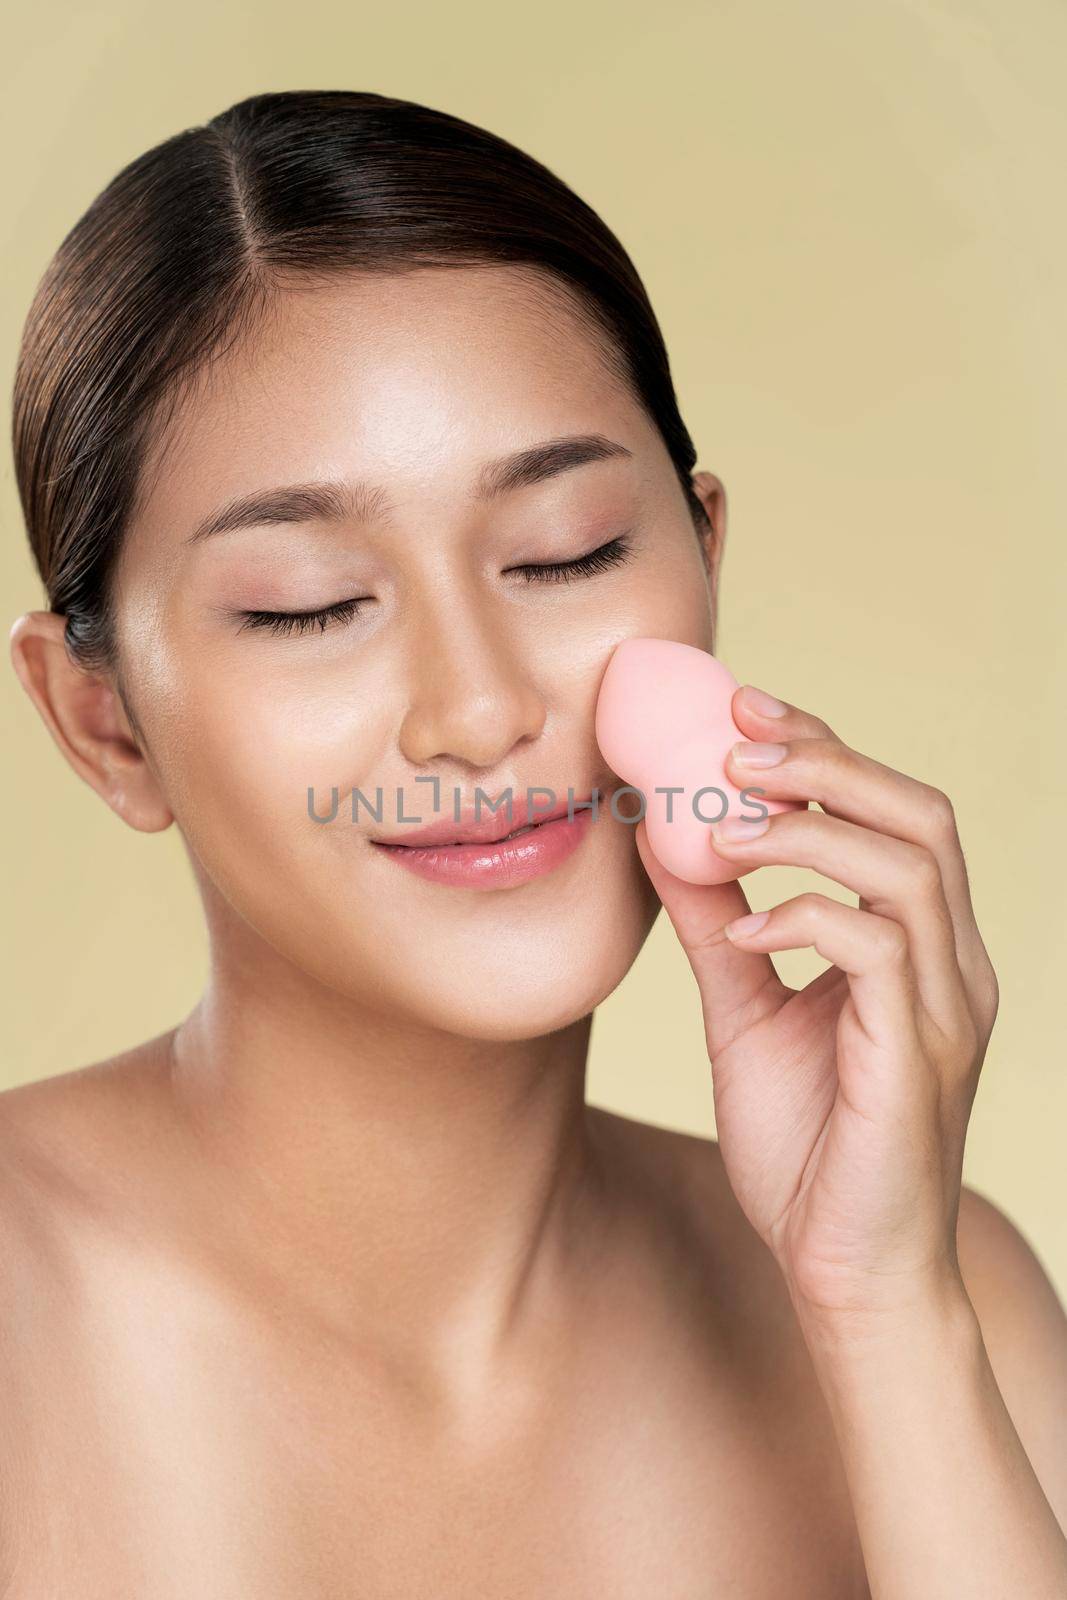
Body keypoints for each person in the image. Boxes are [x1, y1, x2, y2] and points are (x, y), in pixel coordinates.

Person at [5, 88, 1066, 1598]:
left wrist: (886, 1314)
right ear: (103, 722)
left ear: (703, 551)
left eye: (565, 554)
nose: (481, 707)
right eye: (310, 601)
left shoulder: (953, 1299)